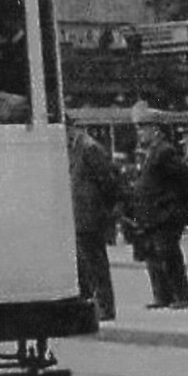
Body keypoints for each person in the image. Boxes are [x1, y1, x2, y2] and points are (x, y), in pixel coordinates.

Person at [129, 103, 188, 310]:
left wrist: (176, 202)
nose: (140, 133)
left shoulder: (164, 152)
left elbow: (185, 176)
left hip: (164, 213)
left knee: (168, 255)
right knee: (153, 257)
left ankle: (181, 296)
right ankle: (162, 296)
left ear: (155, 130)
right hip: (151, 214)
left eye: (143, 128)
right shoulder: (149, 152)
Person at [67, 125, 120, 321]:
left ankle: (105, 306)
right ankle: (91, 304)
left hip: (91, 215)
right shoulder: (75, 148)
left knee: (96, 264)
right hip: (80, 216)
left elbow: (107, 180)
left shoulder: (89, 148)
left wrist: (104, 208)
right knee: (85, 264)